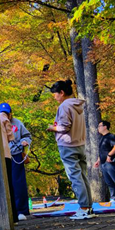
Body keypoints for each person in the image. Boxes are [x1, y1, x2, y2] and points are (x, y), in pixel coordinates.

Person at [47, 80, 93, 220]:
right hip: (80, 143)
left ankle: (84, 208)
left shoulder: (64, 106)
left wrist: (52, 128)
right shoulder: (77, 105)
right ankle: (88, 207)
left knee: (75, 177)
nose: (55, 97)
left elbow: (64, 127)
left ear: (62, 92)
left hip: (68, 145)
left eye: (55, 94)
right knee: (82, 176)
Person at [1, 103, 32, 220]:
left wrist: (25, 141)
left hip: (16, 155)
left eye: (7, 113)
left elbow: (27, 135)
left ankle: (22, 210)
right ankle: (8, 210)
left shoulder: (17, 123)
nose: (6, 116)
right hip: (3, 155)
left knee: (18, 183)